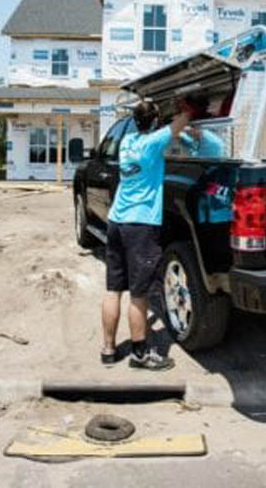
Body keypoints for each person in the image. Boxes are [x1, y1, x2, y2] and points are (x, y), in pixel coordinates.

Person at [101, 100, 191, 370]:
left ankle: (107, 350)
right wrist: (186, 108)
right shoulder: (152, 143)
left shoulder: (127, 142)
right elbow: (183, 121)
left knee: (114, 289)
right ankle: (140, 355)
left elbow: (162, 130)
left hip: (117, 220)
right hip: (140, 225)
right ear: (154, 123)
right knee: (139, 295)